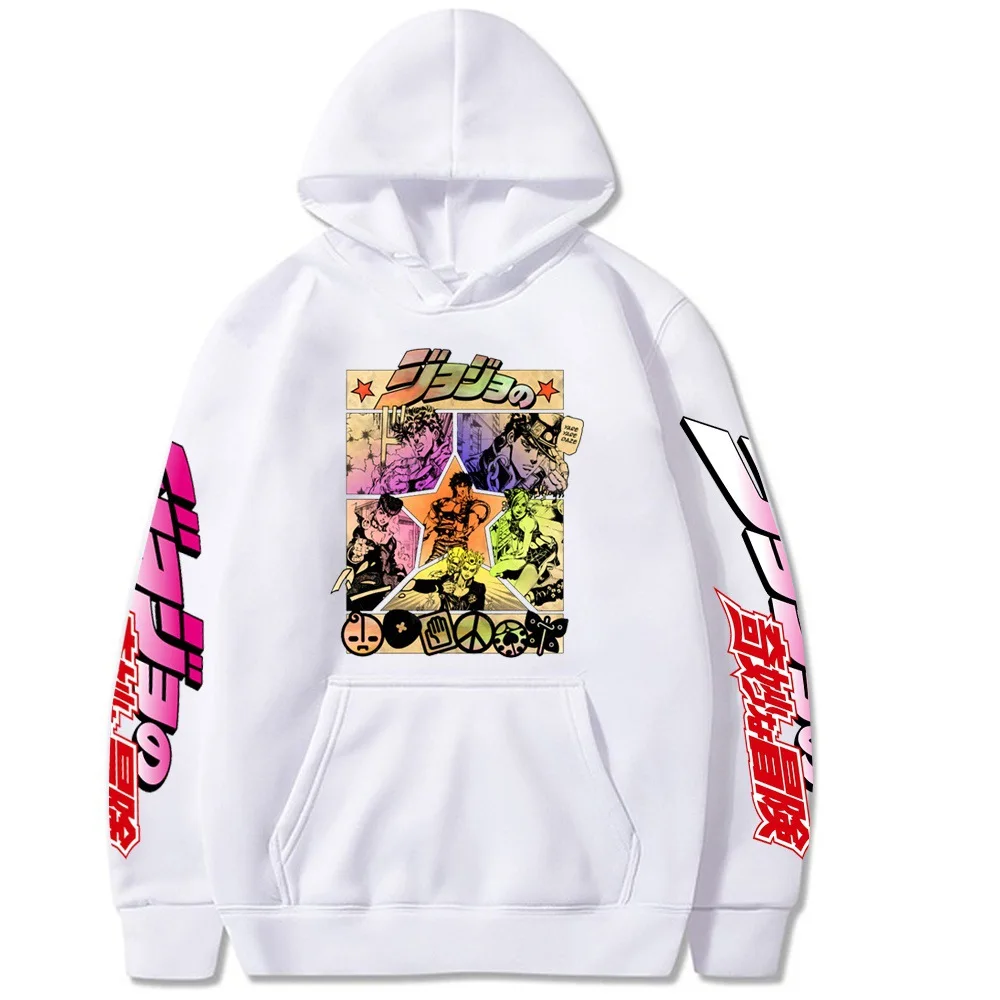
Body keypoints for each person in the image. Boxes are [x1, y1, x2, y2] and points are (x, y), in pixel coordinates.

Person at [469, 412, 569, 493]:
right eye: (527, 446)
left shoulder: (540, 480)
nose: (534, 459)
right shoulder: (473, 468)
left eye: (541, 453)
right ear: (511, 437)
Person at [424, 472, 490, 559]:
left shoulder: (475, 506)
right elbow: (428, 526)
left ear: (469, 488)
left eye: (465, 486)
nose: (462, 489)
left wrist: (465, 508)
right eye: (460, 486)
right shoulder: (442, 503)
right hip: (440, 546)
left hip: (458, 546)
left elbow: (470, 527)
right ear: (455, 487)